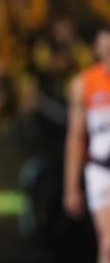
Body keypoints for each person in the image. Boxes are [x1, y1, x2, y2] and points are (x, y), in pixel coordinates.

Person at [64, 28, 110, 263]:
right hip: (101, 170)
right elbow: (76, 137)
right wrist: (71, 187)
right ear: (97, 49)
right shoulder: (84, 84)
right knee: (109, 243)